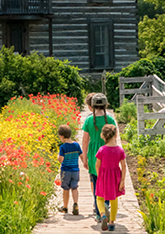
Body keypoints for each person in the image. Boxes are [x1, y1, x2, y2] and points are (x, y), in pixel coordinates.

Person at [79, 92, 116, 221]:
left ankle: (98, 212)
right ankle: (106, 203)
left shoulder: (89, 120)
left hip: (94, 154)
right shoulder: (110, 120)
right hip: (108, 153)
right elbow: (114, 138)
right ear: (106, 105)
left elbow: (84, 140)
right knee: (108, 181)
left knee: (96, 182)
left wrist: (84, 157)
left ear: (92, 106)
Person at [95, 124, 126, 231]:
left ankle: (103, 215)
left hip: (103, 176)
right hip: (115, 177)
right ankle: (112, 222)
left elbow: (97, 165)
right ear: (116, 135)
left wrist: (100, 177)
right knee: (114, 199)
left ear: (103, 136)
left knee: (99, 197)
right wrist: (122, 181)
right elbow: (123, 166)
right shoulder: (120, 150)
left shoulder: (102, 150)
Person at [57, 124, 82, 215]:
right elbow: (82, 156)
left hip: (66, 171)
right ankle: (75, 204)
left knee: (66, 189)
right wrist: (86, 164)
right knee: (74, 187)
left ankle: (65, 207)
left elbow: (61, 160)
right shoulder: (76, 145)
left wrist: (58, 157)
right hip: (75, 170)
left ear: (62, 136)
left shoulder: (63, 147)